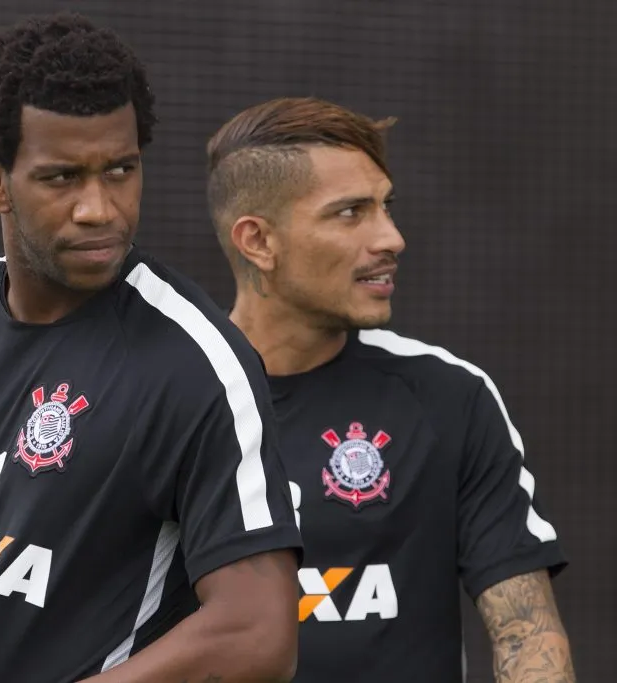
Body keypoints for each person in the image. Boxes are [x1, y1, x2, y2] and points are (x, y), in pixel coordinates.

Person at [0, 13, 304, 683]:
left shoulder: (197, 364)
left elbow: (256, 632)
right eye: (62, 177)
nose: (99, 207)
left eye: (121, 170)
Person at [205, 96, 574, 683]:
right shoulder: (163, 399)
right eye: (351, 213)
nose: (392, 238)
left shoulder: (450, 395)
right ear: (258, 242)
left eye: (386, 207)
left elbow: (527, 637)